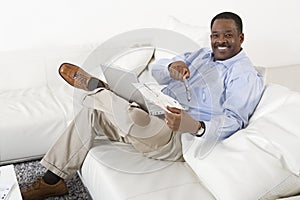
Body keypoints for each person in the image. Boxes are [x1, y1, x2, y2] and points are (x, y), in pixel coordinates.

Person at [21, 11, 264, 199]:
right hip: (159, 107)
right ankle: (53, 181)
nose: (220, 41)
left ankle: (101, 89)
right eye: (216, 35)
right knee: (93, 110)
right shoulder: (201, 55)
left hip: (177, 134)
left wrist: (196, 125)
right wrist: (172, 67)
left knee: (116, 108)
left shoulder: (243, 75)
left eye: (228, 35)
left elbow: (234, 120)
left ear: (241, 37)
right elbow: (159, 72)